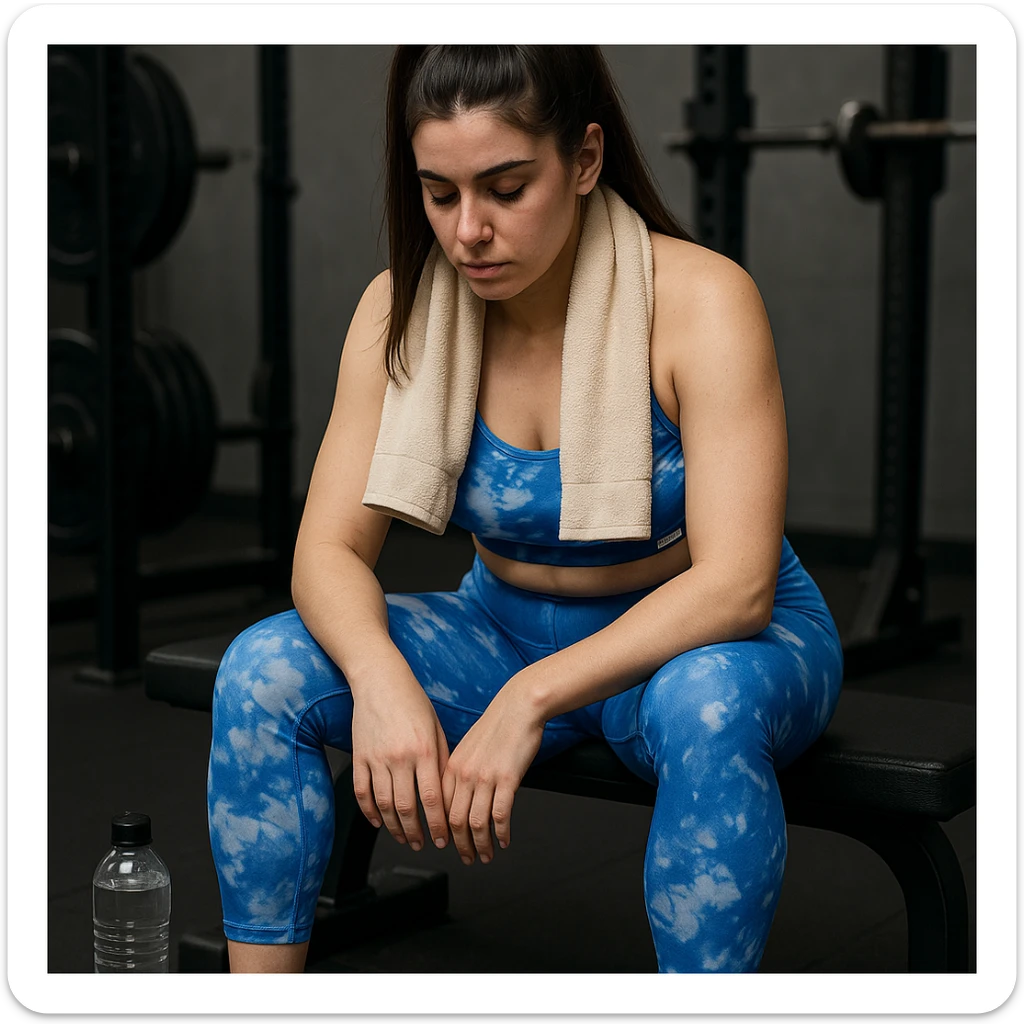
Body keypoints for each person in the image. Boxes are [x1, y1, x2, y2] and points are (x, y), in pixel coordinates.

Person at [207, 44, 844, 974]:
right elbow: (326, 552)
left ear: (584, 159)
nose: (469, 231)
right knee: (263, 669)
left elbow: (737, 587)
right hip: (500, 627)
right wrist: (381, 679)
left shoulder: (704, 301)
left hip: (700, 646)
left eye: (507, 189)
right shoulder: (398, 311)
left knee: (709, 707)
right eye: (440, 193)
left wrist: (531, 696)